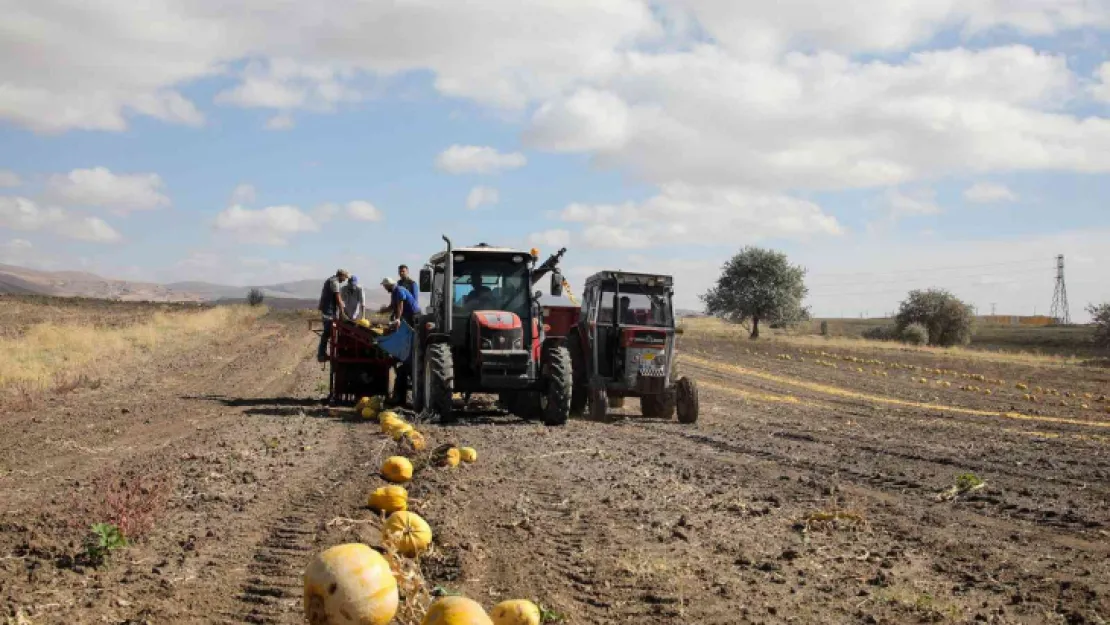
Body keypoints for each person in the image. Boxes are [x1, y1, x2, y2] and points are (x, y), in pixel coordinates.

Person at [317, 269, 350, 362]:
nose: (344, 280)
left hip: (330, 309)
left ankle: (324, 353)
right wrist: (343, 313)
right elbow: (338, 298)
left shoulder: (332, 280)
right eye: (344, 278)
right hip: (328, 310)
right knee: (327, 331)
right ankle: (321, 354)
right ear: (341, 275)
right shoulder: (334, 282)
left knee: (331, 332)